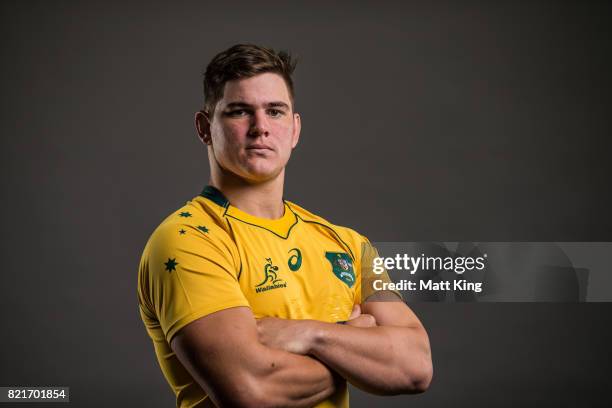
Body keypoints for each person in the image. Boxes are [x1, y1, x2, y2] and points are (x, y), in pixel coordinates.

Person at [137, 44, 432, 408]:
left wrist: (310, 335)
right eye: (240, 112)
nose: (260, 128)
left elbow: (415, 365)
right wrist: (353, 347)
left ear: (294, 130)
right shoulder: (187, 240)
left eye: (275, 111)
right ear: (204, 128)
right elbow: (252, 391)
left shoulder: (350, 245)